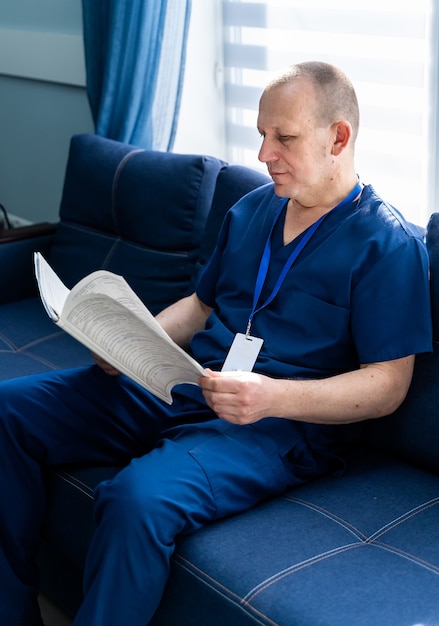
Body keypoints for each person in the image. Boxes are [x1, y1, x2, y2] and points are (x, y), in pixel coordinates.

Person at [0, 61, 432, 626]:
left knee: (137, 501)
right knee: (9, 412)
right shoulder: (251, 209)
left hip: (275, 427)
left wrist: (270, 397)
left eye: (284, 138)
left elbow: (389, 385)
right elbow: (202, 306)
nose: (263, 155)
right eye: (261, 135)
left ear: (339, 137)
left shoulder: (387, 245)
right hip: (184, 381)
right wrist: (131, 339)